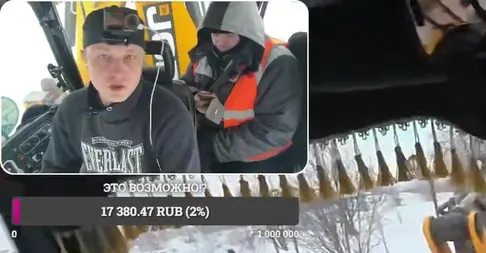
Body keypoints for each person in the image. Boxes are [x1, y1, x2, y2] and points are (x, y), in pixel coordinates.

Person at [41, 6, 200, 174]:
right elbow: (55, 172)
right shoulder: (71, 109)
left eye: (130, 57)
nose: (117, 72)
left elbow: (185, 188)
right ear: (84, 57)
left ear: (142, 59)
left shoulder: (170, 115)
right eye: (104, 56)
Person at [182, 2, 303, 173]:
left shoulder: (277, 63)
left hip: (261, 162)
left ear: (247, 31)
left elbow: (275, 131)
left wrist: (213, 145)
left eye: (228, 34)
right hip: (211, 144)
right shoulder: (204, 54)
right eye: (215, 34)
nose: (219, 41)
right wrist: (202, 104)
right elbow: (186, 87)